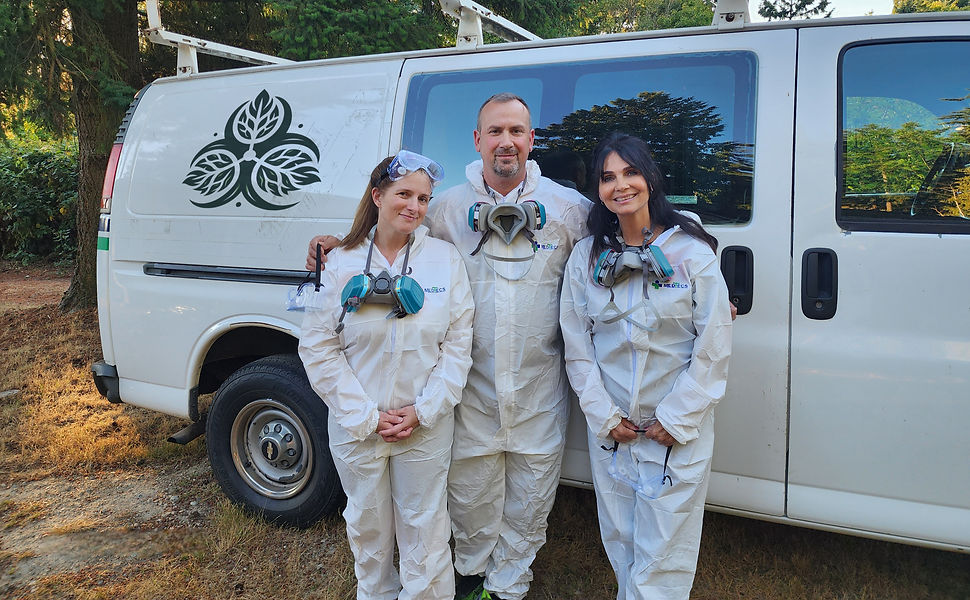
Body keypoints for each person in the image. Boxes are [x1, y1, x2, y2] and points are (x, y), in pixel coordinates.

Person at [307, 93, 591, 600]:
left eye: (517, 131)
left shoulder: (568, 209)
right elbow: (392, 234)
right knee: (469, 500)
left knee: (530, 500)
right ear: (478, 141)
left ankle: (510, 586)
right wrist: (343, 244)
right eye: (495, 132)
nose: (507, 142)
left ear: (531, 139)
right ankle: (473, 579)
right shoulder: (447, 209)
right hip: (472, 394)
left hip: (536, 389)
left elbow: (626, 227)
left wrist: (697, 249)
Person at [558, 132, 732, 600]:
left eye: (630, 173)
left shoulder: (690, 253)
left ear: (650, 178)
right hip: (614, 430)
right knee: (621, 541)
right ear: (597, 189)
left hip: (673, 430)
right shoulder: (586, 257)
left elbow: (714, 345)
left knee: (664, 553)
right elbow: (577, 345)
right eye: (608, 177)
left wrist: (677, 418)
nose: (621, 186)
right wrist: (603, 415)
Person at [298, 151, 475, 600]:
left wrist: (424, 410)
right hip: (359, 427)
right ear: (377, 196)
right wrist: (365, 416)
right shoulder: (339, 262)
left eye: (423, 198)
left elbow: (458, 345)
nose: (414, 206)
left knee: (426, 526)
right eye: (404, 194)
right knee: (367, 525)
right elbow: (318, 346)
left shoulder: (444, 261)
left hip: (424, 425)